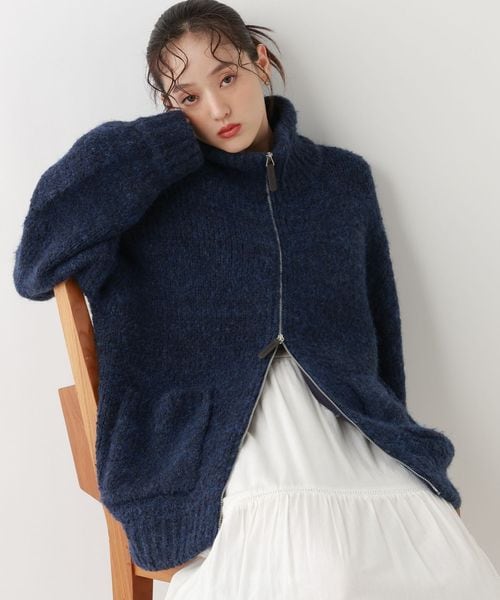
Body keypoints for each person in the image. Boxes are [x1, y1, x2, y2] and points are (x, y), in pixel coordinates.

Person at [12, 1, 500, 597]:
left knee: (453, 569)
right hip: (211, 441)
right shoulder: (148, 189)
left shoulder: (341, 182)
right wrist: (166, 141)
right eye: (188, 97)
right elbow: (36, 266)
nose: (217, 109)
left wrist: (392, 434)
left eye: (226, 78)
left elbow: (379, 333)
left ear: (260, 63)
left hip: (345, 425)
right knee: (317, 572)